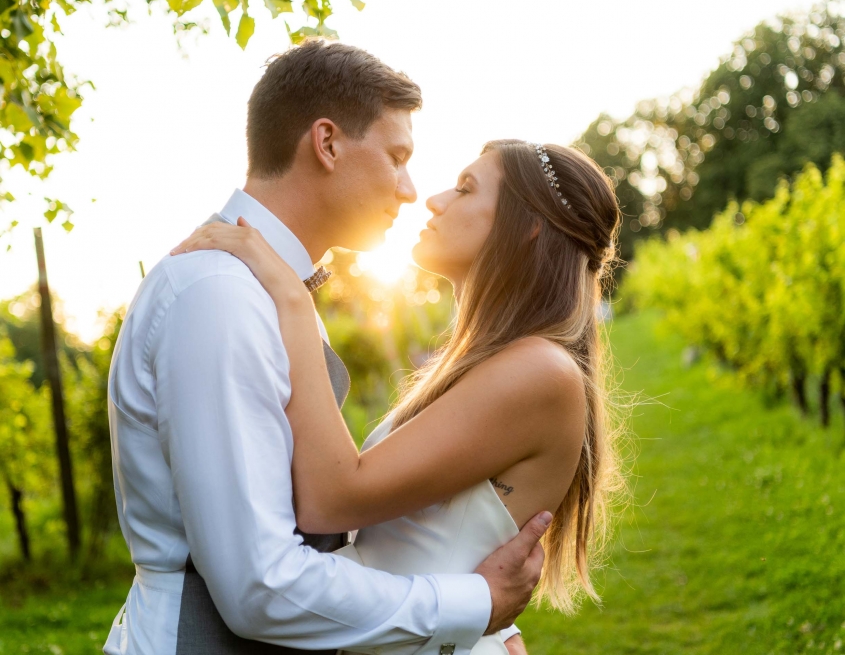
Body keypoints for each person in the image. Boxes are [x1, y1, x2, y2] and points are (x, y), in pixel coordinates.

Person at [104, 41, 549, 655]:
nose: (410, 189)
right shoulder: (219, 296)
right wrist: (475, 604)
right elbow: (260, 585)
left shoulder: (264, 290)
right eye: (397, 157)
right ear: (328, 143)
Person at [171, 134, 627, 655]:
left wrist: (291, 297)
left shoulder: (540, 371)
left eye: (464, 188)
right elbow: (456, 552)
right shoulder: (502, 363)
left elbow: (332, 499)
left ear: (527, 227)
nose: (433, 200)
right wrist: (495, 621)